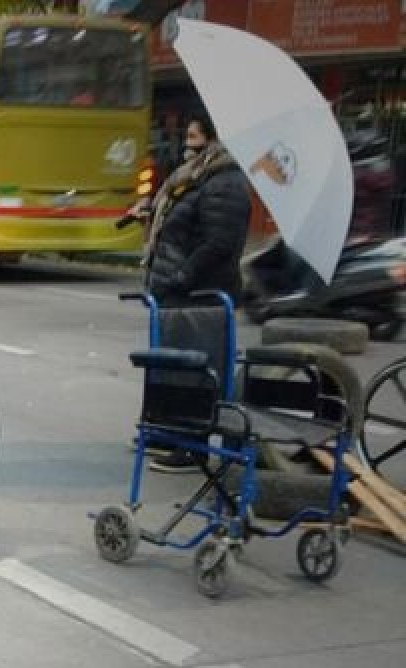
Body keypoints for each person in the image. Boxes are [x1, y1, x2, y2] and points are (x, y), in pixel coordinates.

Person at [130, 112, 251, 473]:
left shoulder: (225, 183)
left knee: (194, 372)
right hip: (178, 291)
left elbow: (218, 243)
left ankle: (190, 448)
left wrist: (181, 277)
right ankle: (166, 432)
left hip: (200, 295)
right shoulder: (197, 177)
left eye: (194, 137)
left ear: (214, 140)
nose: (187, 144)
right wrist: (152, 212)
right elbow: (184, 220)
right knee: (170, 367)